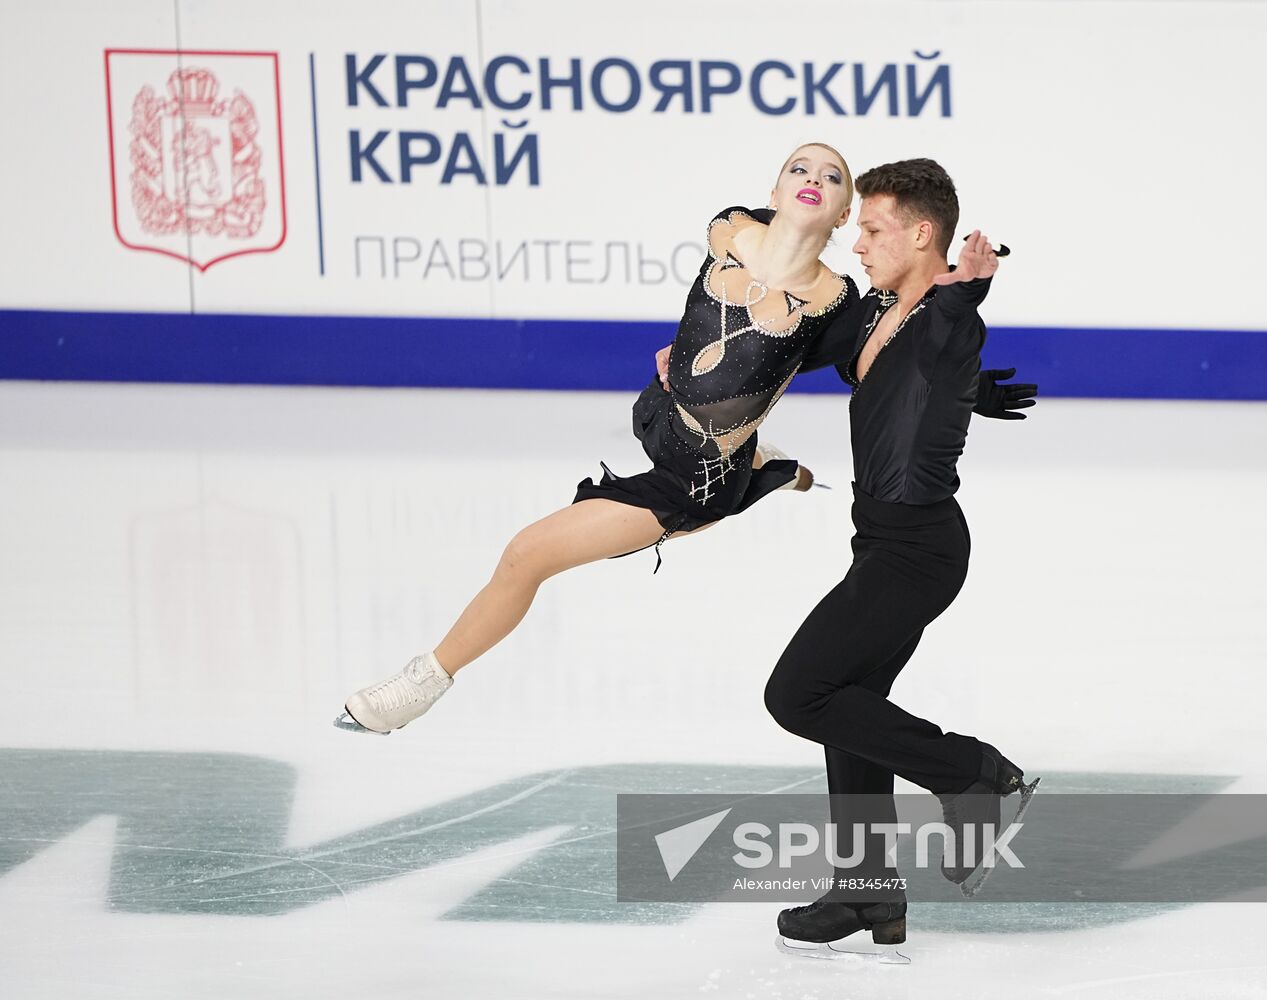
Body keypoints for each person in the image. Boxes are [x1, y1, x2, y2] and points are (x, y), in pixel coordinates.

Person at [333, 144, 1033, 737]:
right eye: (799, 166)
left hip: (694, 477)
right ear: (775, 190)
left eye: (831, 176)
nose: (812, 176)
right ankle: (765, 465)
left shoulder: (834, 304)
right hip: (655, 417)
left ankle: (420, 685)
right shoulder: (729, 230)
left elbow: (896, 363)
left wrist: (973, 379)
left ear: (844, 211)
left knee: (526, 554)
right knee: (657, 448)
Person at [760, 158, 1039, 959]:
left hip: (916, 550)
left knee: (798, 693)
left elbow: (949, 328)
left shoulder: (949, 317)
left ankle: (974, 777)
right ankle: (864, 890)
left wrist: (967, 288)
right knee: (847, 703)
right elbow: (808, 349)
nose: (857, 244)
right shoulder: (878, 312)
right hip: (879, 539)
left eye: (874, 230)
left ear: (923, 235)